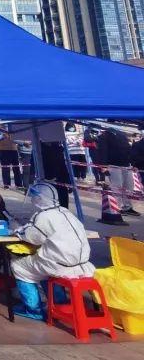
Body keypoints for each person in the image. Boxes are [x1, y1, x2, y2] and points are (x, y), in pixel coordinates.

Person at [11, 181, 95, 321]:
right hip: (82, 265)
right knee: (43, 267)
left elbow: (33, 238)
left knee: (18, 266)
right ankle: (59, 302)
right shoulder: (66, 212)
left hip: (61, 266)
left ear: (39, 198)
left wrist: (16, 229)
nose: (32, 199)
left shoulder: (44, 216)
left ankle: (33, 309)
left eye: (34, 197)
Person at [95, 127, 138, 216]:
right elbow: (102, 151)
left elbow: (128, 149)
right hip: (113, 165)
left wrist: (133, 163)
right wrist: (103, 166)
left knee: (129, 187)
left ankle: (127, 207)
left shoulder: (122, 134)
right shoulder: (104, 136)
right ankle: (116, 208)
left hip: (126, 165)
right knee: (117, 187)